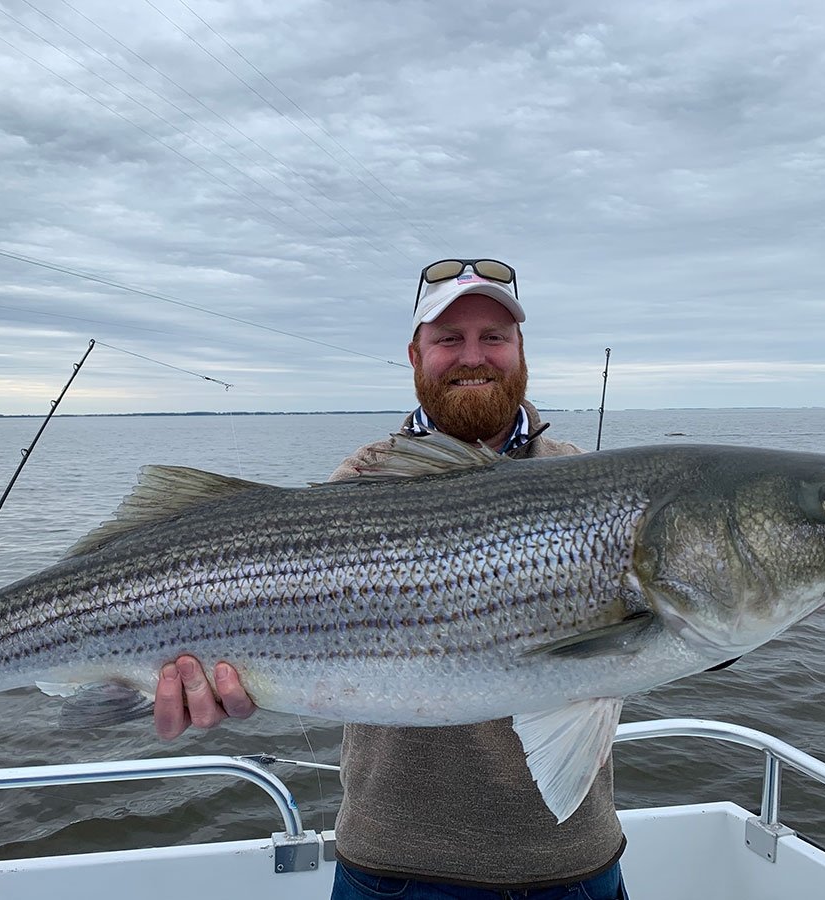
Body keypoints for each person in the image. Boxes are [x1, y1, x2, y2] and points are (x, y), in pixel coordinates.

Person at [154, 259, 628, 900]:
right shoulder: (363, 482)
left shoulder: (586, 479)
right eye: (448, 339)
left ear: (521, 353)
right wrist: (222, 686)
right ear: (415, 354)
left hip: (574, 863)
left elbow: (699, 639)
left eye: (494, 336)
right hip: (394, 871)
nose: (473, 356)